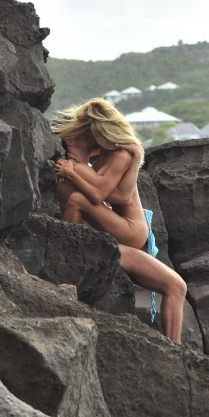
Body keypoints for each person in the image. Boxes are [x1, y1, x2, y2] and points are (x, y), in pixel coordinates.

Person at [50, 97, 187, 343]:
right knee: (177, 286)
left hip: (129, 230)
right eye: (82, 136)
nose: (89, 140)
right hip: (123, 235)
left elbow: (109, 194)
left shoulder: (108, 157)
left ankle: (175, 350)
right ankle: (174, 348)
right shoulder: (78, 166)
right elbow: (96, 195)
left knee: (177, 286)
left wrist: (76, 168)